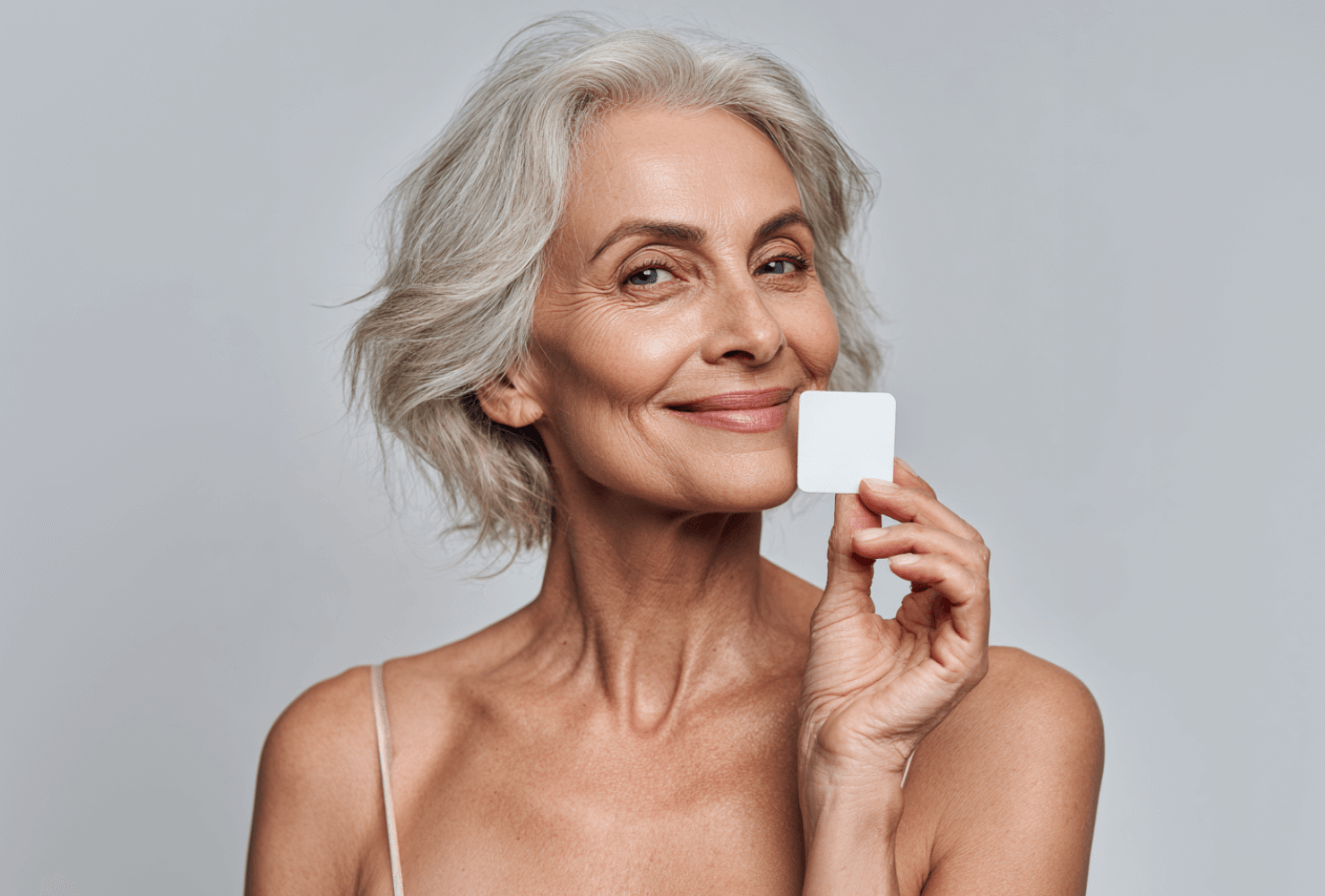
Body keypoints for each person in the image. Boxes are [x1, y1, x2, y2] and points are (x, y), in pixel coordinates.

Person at [245, 16, 1103, 896]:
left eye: (779, 262)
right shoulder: (351, 758)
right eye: (650, 273)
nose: (758, 330)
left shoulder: (1004, 729)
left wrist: (855, 787)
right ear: (507, 374)